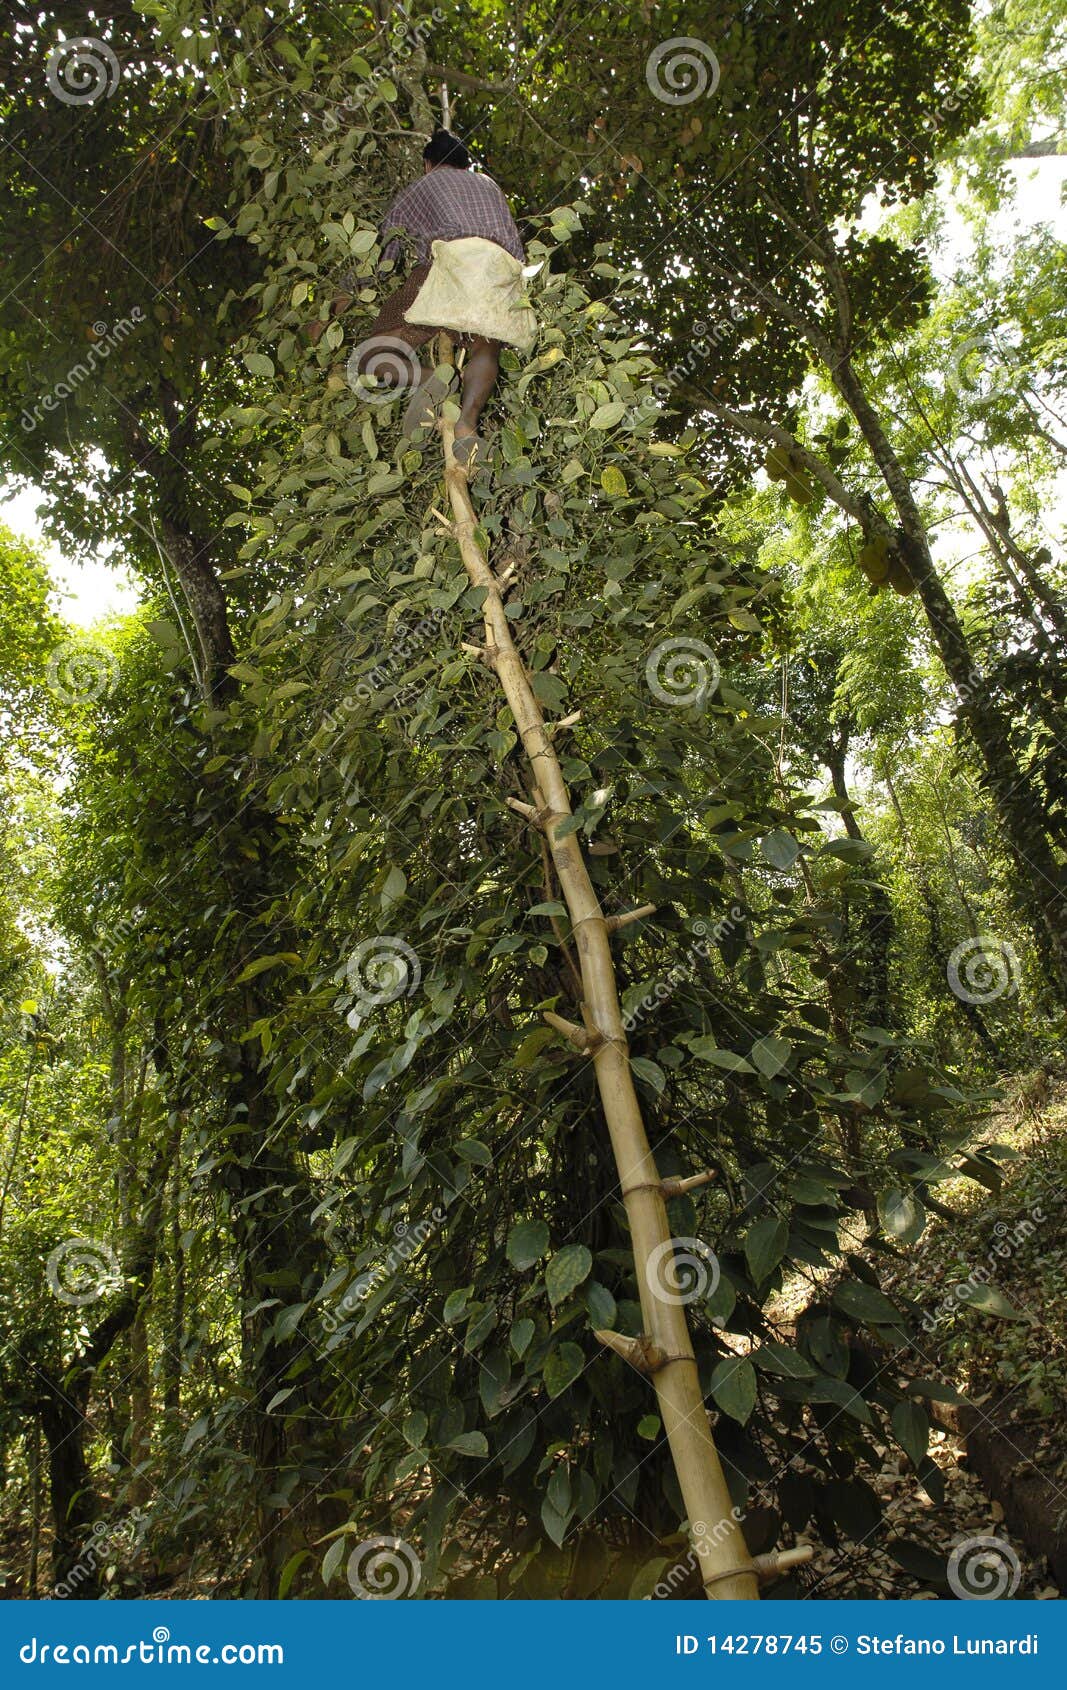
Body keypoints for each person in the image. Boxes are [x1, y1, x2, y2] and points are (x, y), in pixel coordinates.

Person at [314, 130, 534, 465]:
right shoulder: (490, 185)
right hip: (498, 270)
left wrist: (330, 310)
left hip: (446, 268)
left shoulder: (423, 186)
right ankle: (466, 426)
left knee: (370, 358)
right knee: (486, 345)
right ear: (465, 163)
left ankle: (433, 381)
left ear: (428, 164)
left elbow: (381, 258)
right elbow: (516, 251)